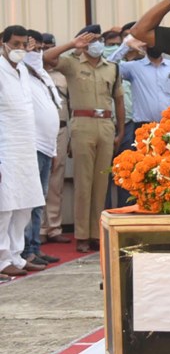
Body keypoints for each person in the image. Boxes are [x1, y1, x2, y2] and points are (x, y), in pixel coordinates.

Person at [45, 26, 124, 252]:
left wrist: (119, 131)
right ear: (84, 43)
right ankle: (81, 235)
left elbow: (118, 100)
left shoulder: (112, 68)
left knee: (101, 183)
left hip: (106, 125)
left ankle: (96, 232)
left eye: (99, 39)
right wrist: (73, 44)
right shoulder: (72, 63)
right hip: (82, 124)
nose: (97, 43)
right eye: (92, 40)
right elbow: (47, 58)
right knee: (83, 182)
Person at [0, 26, 46, 277]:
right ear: (3, 43)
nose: (18, 49)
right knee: (5, 206)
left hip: (27, 146)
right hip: (5, 147)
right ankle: (1, 258)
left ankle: (16, 257)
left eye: (22, 45)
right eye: (14, 44)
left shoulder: (23, 71)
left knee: (25, 204)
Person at [21, 30, 62, 266]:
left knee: (39, 200)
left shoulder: (42, 75)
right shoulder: (19, 73)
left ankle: (35, 247)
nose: (36, 53)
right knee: (28, 201)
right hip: (30, 145)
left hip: (46, 146)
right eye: (31, 49)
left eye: (38, 50)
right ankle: (26, 250)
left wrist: (54, 150)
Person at [108, 45, 170, 129]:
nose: (154, 46)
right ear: (144, 46)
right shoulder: (134, 67)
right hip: (143, 126)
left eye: (157, 43)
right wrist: (127, 45)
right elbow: (108, 66)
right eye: (150, 43)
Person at [40, 32, 71, 244]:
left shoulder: (63, 76)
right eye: (42, 48)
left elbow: (71, 106)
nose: (46, 51)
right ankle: (39, 229)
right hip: (39, 133)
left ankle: (54, 227)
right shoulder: (31, 74)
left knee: (56, 180)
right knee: (38, 180)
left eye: (50, 47)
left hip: (61, 130)